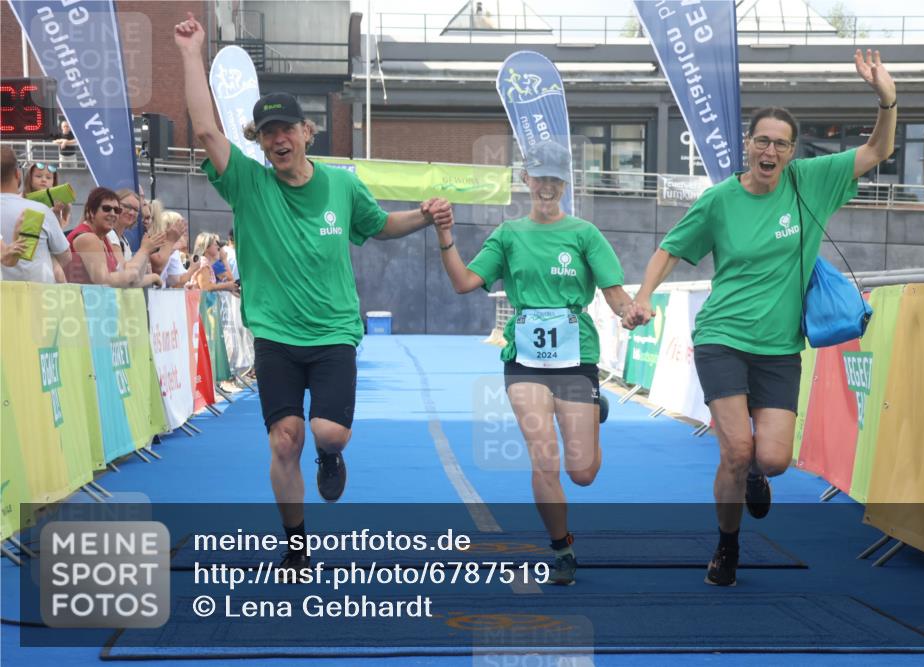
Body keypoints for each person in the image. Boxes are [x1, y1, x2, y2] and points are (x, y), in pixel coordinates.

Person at [174, 11, 454, 571]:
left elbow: (378, 228)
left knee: (329, 434)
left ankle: (330, 458)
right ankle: (296, 542)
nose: (278, 138)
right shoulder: (247, 183)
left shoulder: (342, 185)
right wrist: (190, 52)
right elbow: (206, 130)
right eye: (267, 132)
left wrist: (425, 217)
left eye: (287, 129)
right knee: (284, 439)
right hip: (275, 332)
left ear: (307, 132)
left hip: (332, 332)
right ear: (259, 140)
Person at [626, 49, 897, 587]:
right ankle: (727, 547)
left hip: (779, 348)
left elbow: (878, 149)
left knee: (771, 459)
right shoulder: (720, 200)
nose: (770, 150)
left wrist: (887, 98)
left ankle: (755, 476)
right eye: (762, 140)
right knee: (736, 447)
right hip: (723, 338)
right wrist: (644, 296)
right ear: (748, 146)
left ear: (792, 152)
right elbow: (671, 249)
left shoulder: (811, 181)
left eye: (781, 143)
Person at [434, 139, 633, 585]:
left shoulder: (584, 234)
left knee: (582, 473)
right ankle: (562, 548)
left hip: (575, 357)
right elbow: (466, 282)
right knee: (544, 459)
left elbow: (616, 295)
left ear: (565, 183)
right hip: (524, 362)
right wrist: (444, 237)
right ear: (525, 179)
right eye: (539, 176)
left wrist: (631, 312)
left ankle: (593, 411)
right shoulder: (508, 234)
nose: (546, 186)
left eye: (555, 178)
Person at [65, 187, 164, 287]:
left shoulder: (103, 238)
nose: (112, 214)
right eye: (106, 209)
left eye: (116, 210)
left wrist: (146, 254)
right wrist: (144, 251)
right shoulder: (88, 238)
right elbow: (103, 281)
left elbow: (128, 281)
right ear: (91, 211)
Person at [0, 147, 71, 283]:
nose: (43, 180)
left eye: (49, 177)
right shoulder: (38, 210)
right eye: (38, 176)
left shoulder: (42, 210)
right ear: (18, 174)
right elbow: (66, 257)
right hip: (38, 295)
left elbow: (8, 258)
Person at [23, 161, 71, 230]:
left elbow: (58, 232)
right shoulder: (20, 199)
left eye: (48, 178)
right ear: (29, 178)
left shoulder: (58, 202)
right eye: (38, 176)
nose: (44, 180)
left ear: (53, 182)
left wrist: (56, 212)